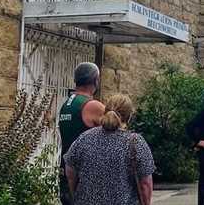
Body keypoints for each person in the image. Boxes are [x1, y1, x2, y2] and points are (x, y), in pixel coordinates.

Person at [63, 94, 154, 205]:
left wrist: (76, 195)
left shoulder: (84, 138)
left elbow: (69, 171)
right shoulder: (135, 143)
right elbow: (145, 184)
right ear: (129, 117)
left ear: (105, 111)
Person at [58, 62, 106, 205]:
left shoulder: (67, 104)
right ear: (95, 80)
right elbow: (116, 128)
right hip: (85, 177)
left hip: (66, 172)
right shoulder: (92, 105)